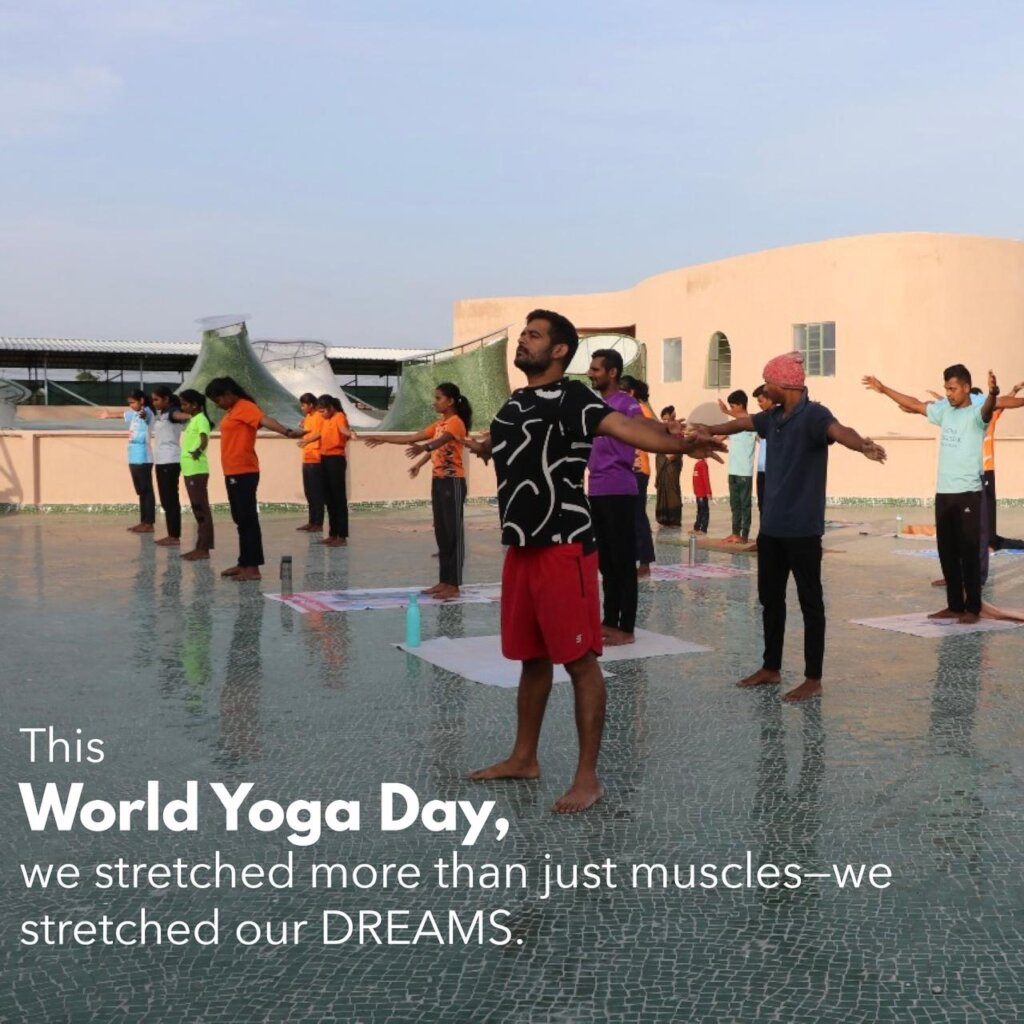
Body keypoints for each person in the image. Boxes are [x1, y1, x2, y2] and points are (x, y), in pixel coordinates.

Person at [460, 310, 726, 813]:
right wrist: (486, 444)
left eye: (534, 335)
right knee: (532, 658)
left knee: (580, 662)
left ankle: (588, 778)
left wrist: (679, 443)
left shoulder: (576, 397)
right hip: (522, 546)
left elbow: (628, 428)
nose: (523, 341)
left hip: (564, 545)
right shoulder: (515, 402)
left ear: (559, 349)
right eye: (523, 334)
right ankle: (524, 758)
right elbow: (509, 440)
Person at [694, 351, 886, 701]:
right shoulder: (773, 418)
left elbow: (839, 430)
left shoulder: (815, 415)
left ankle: (813, 678)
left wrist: (862, 446)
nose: (764, 388)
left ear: (783, 384)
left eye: (767, 382)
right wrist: (711, 430)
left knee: (810, 603)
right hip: (772, 529)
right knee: (771, 601)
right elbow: (742, 423)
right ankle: (771, 668)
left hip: (803, 530)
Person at [861, 367, 998, 623]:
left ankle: (972, 609)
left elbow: (989, 408)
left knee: (968, 552)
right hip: (944, 493)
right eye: (946, 389)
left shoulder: (976, 414)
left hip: (968, 493)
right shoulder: (944, 411)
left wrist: (993, 393)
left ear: (966, 388)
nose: (948, 394)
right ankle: (955, 606)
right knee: (947, 550)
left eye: (952, 389)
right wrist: (884, 389)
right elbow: (914, 404)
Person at [363, 383, 472, 598]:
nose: (434, 402)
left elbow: (441, 441)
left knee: (453, 534)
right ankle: (444, 581)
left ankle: (454, 585)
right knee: (441, 533)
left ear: (450, 401)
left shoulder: (456, 423)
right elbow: (413, 437)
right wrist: (383, 438)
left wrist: (425, 447)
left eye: (438, 398)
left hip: (453, 482)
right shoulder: (439, 424)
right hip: (438, 481)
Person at [204, 376, 303, 581]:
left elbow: (265, 420)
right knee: (240, 519)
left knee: (247, 520)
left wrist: (287, 432)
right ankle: (244, 562)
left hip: (244, 472)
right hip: (233, 472)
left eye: (218, 400)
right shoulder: (234, 410)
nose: (218, 405)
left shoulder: (245, 406)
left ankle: (253, 568)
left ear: (229, 394)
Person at [586, 350, 643, 645]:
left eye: (596, 369)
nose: (590, 373)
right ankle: (610, 620)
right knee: (605, 561)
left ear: (612, 373)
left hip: (619, 489)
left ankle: (626, 627)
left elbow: (644, 429)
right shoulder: (594, 405)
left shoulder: (627, 404)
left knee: (622, 560)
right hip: (596, 488)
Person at [101, 390, 154, 533]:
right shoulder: (134, 414)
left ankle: (149, 523)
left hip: (143, 457)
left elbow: (146, 415)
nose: (131, 405)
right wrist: (108, 415)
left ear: (141, 400)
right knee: (141, 491)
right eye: (129, 403)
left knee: (146, 491)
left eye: (133, 402)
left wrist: (143, 412)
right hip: (133, 457)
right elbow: (122, 414)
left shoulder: (147, 412)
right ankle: (143, 521)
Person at [309, 395, 353, 548]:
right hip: (324, 458)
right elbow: (319, 434)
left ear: (331, 408)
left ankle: (342, 536)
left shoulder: (339, 416)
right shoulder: (324, 419)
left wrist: (350, 433)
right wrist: (305, 440)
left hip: (336, 459)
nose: (321, 414)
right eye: (319, 412)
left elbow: (343, 429)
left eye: (323, 411)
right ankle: (333, 533)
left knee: (338, 498)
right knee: (329, 498)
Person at [623, 378, 657, 576]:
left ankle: (645, 561)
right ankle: (633, 558)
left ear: (631, 392)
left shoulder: (641, 409)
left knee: (638, 515)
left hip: (638, 469)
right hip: (626, 469)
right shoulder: (626, 408)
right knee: (628, 516)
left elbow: (652, 431)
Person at [150, 385, 190, 547]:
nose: (154, 403)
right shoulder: (163, 414)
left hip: (170, 460)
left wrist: (193, 415)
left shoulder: (172, 412)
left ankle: (174, 536)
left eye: (156, 399)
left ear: (166, 399)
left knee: (170, 499)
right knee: (166, 499)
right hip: (161, 461)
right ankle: (172, 534)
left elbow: (180, 416)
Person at [177, 389, 214, 561]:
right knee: (197, 509)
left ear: (195, 405)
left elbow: (204, 439)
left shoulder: (201, 419)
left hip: (197, 469)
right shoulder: (193, 419)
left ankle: (203, 549)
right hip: (189, 469)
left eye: (185, 404)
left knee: (201, 509)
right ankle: (200, 547)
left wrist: (197, 452)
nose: (182, 407)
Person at [718, 389, 755, 543]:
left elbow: (746, 418)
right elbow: (719, 438)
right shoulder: (733, 425)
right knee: (735, 505)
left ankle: (744, 535)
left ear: (741, 405)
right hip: (732, 471)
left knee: (745, 504)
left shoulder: (752, 422)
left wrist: (726, 411)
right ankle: (735, 533)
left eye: (733, 407)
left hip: (744, 472)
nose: (731, 410)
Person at [296, 392, 325, 533]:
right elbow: (310, 431)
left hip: (316, 457)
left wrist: (306, 440)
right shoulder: (308, 417)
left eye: (303, 405)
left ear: (311, 405)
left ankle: (318, 523)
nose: (302, 408)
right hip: (306, 457)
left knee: (316, 492)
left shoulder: (319, 415)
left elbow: (320, 433)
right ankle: (311, 521)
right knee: (309, 492)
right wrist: (303, 426)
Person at [654, 405, 683, 527]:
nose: (665, 422)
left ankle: (674, 518)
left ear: (673, 417)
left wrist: (672, 455)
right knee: (662, 487)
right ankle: (662, 518)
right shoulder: (660, 431)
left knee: (672, 488)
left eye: (667, 419)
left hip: (673, 463)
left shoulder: (677, 430)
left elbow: (681, 446)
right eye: (663, 419)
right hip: (662, 460)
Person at [751, 385, 774, 512]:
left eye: (761, 401)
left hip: (773, 470)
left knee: (772, 507)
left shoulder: (779, 417)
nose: (759, 404)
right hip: (762, 469)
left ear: (770, 399)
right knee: (762, 506)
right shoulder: (761, 419)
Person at [691, 457, 711, 534]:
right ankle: (696, 528)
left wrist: (708, 492)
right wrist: (695, 491)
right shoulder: (697, 464)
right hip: (698, 493)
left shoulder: (703, 464)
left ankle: (703, 529)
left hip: (702, 493)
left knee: (704, 511)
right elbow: (695, 480)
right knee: (700, 511)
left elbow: (706, 478)